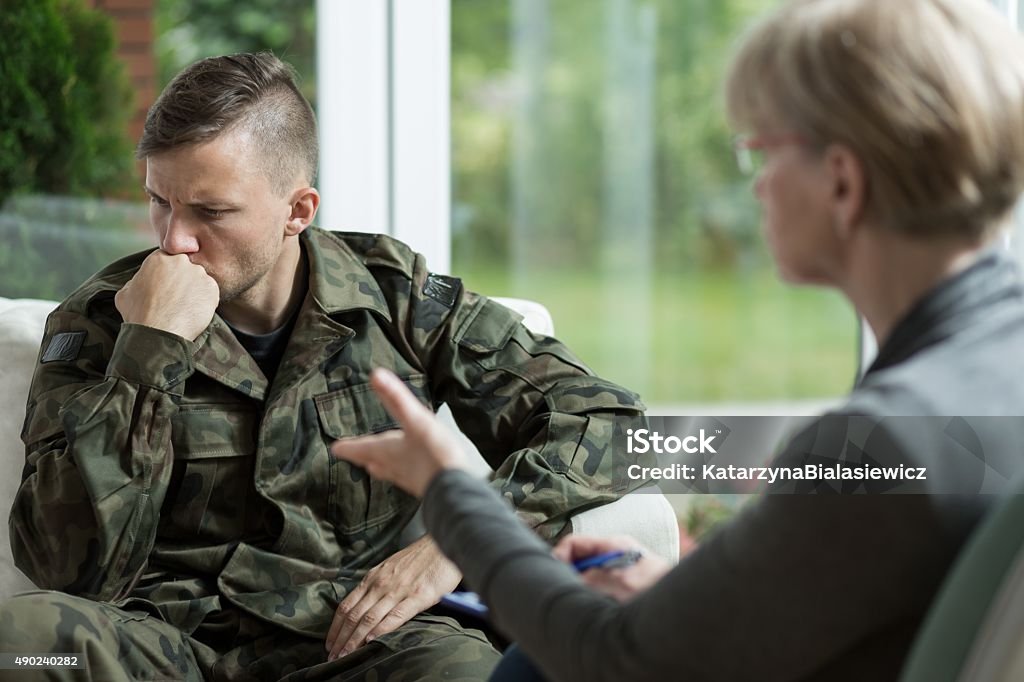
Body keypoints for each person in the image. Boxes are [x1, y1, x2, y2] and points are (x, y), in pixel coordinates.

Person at [332, 0, 1024, 680]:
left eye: (761, 151)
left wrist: (449, 493)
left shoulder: (875, 446)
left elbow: (606, 660)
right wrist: (692, 599)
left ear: (842, 181)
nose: (755, 188)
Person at [0, 52, 647, 680]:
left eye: (210, 211)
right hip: (161, 643)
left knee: (461, 669)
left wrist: (458, 540)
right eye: (159, 202)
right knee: (23, 646)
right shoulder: (103, 320)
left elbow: (615, 427)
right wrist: (148, 349)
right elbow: (61, 563)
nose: (174, 241)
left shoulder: (397, 302)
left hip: (353, 638)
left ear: (298, 210)